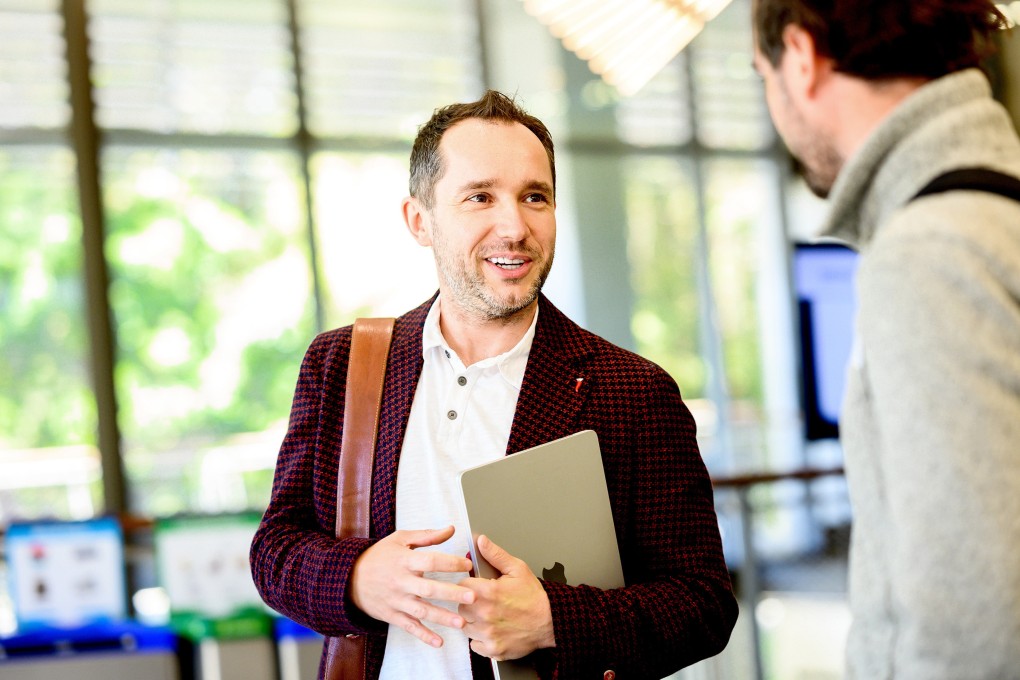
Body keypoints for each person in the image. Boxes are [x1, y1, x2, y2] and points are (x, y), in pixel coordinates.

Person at [250, 90, 737, 680]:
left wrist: (555, 619)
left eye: (535, 197)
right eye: (480, 197)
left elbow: (703, 603)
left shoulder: (632, 390)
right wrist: (356, 579)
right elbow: (275, 549)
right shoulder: (343, 365)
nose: (514, 226)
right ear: (420, 221)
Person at [752, 1, 1020, 678]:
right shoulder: (996, 208)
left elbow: (973, 619)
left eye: (763, 75)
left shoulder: (927, 253)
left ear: (801, 57)